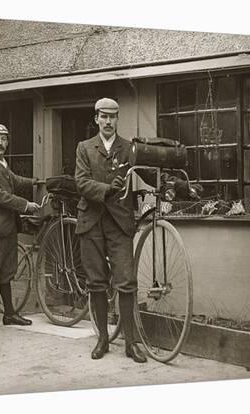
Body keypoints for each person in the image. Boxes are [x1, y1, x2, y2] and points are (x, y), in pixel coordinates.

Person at [75, 98, 200, 363]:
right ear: (96, 118)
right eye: (103, 117)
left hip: (119, 223)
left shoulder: (129, 148)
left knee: (127, 282)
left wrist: (176, 185)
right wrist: (107, 189)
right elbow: (82, 183)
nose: (108, 122)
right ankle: (102, 340)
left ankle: (131, 343)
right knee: (96, 282)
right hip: (92, 222)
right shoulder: (84, 148)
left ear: (117, 119)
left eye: (113, 117)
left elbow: (149, 171)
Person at [0, 123, 41, 329]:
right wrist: (26, 205)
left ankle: (9, 314)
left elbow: (15, 180)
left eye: (4, 139)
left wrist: (37, 182)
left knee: (6, 272)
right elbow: (1, 196)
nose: (0, 143)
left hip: (8, 227)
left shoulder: (2, 164)